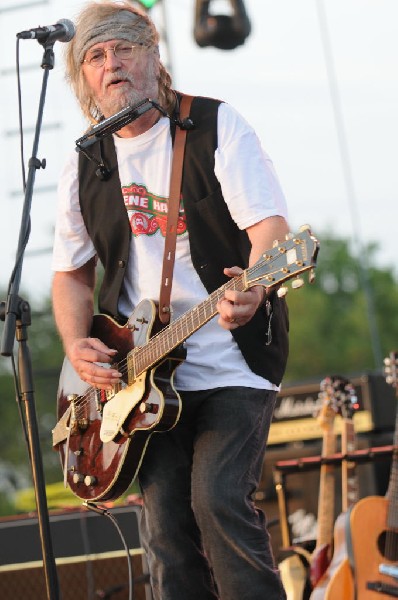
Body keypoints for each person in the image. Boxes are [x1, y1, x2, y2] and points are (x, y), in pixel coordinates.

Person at [51, 2, 290, 599]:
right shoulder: (86, 163)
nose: (113, 65)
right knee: (165, 534)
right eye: (96, 56)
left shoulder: (215, 125)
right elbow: (70, 276)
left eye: (125, 49)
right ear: (83, 77)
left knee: (217, 501)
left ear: (154, 56)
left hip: (234, 358)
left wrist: (257, 285)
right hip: (140, 381)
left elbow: (271, 232)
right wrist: (77, 344)